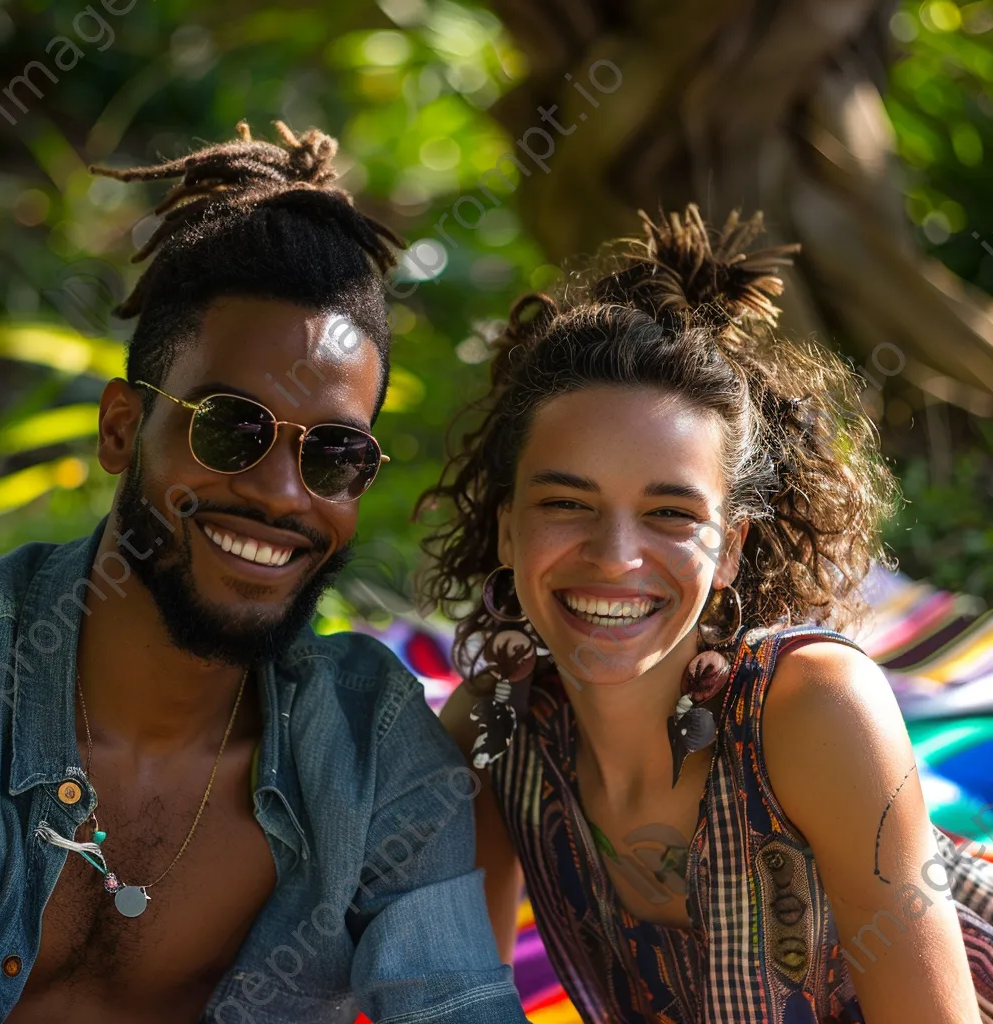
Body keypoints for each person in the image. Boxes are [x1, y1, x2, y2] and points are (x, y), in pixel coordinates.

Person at [0, 122, 527, 1024]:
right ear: (121, 430)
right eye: (232, 426)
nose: (278, 494)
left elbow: (454, 1002)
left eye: (335, 455)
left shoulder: (371, 751)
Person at [423, 205, 993, 1023]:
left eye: (669, 514)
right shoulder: (498, 732)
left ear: (730, 548)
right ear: (508, 530)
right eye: (565, 503)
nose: (615, 557)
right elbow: (457, 1005)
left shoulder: (810, 706)